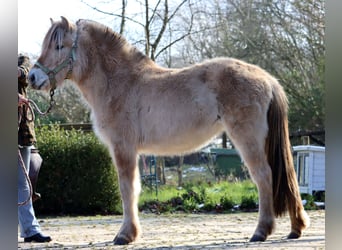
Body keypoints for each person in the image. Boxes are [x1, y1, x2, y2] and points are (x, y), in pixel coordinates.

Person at [18, 54, 52, 243]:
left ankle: (30, 230)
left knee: (22, 183)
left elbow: (23, 73)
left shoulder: (21, 59)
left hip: (20, 132)